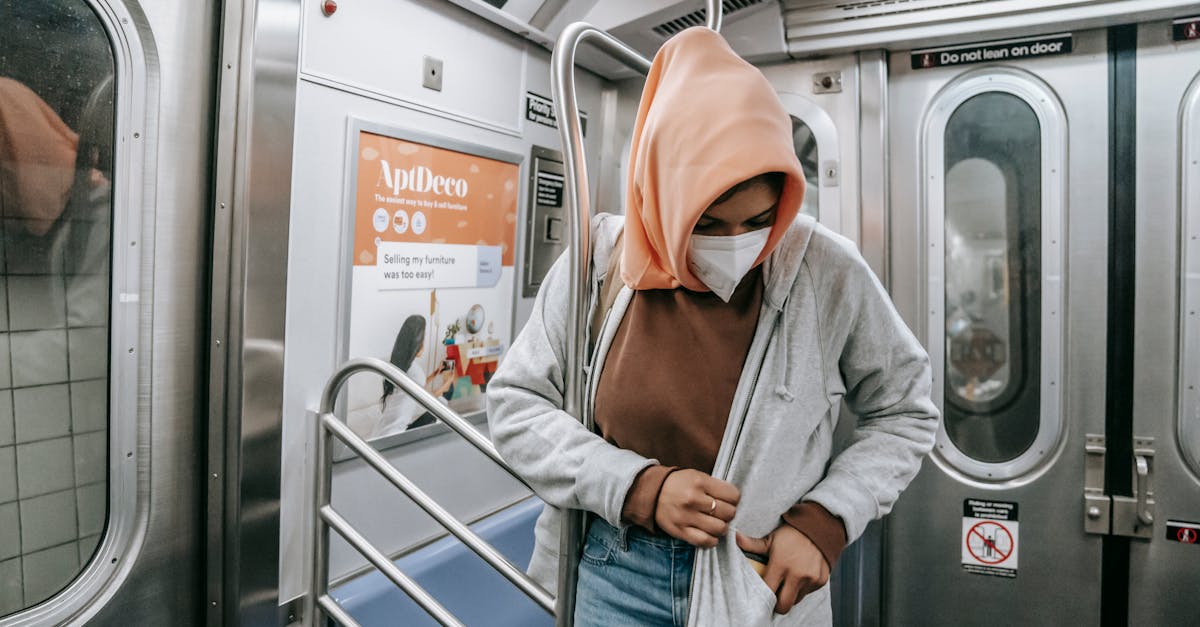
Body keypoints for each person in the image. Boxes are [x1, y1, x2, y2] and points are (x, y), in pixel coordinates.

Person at [487, 27, 938, 626]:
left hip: (753, 582)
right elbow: (516, 407)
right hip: (612, 569)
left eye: (757, 221)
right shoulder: (599, 259)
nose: (738, 247)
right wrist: (638, 487)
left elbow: (904, 412)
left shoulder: (826, 272)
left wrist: (827, 520)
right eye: (707, 224)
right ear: (664, 200)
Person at [373, 314, 452, 438]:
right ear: (417, 342)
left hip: (381, 432)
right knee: (443, 402)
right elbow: (429, 400)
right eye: (423, 339)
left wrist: (435, 374)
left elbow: (413, 386)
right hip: (396, 436)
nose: (424, 344)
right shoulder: (416, 372)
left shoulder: (396, 362)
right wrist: (448, 383)